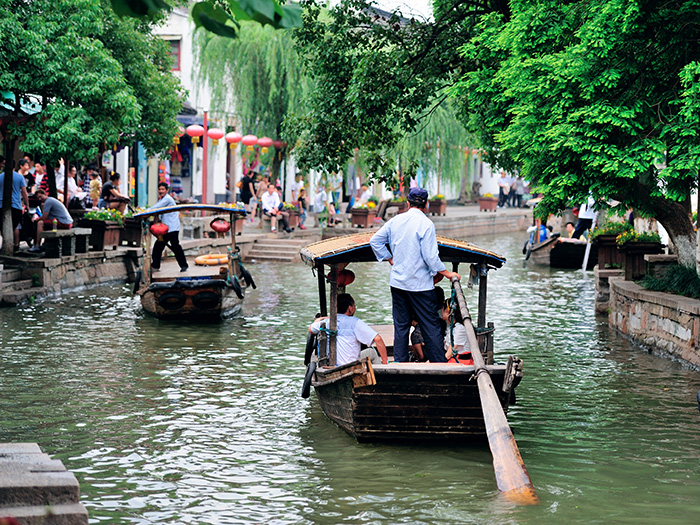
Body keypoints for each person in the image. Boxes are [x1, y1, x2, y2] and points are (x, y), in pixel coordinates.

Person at [369, 187, 460, 363]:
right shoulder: (426, 224)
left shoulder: (395, 221)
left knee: (401, 326)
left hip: (398, 283)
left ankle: (400, 363)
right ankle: (439, 364)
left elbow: (375, 241)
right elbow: (430, 257)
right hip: (420, 285)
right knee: (430, 325)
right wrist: (447, 273)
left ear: (408, 203)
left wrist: (389, 258)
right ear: (426, 205)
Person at [308, 293, 388, 366]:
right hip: (351, 365)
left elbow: (310, 329)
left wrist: (324, 318)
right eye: (354, 305)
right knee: (371, 352)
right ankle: (384, 368)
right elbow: (378, 339)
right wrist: (385, 362)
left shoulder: (327, 322)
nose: (355, 308)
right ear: (350, 308)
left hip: (331, 363)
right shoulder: (355, 323)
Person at [148, 182, 188, 272]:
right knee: (158, 246)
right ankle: (155, 265)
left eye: (163, 189)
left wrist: (144, 211)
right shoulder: (162, 199)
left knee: (175, 246)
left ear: (167, 190)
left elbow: (156, 208)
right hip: (165, 228)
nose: (161, 191)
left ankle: (184, 265)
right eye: (159, 189)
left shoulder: (167, 199)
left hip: (172, 228)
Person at [0, 155, 30, 252]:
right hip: (16, 205)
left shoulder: (0, 177)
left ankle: (6, 244)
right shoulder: (19, 177)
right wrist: (27, 205)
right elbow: (24, 192)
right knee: (16, 226)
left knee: (3, 225)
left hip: (1, 205)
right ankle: (15, 245)